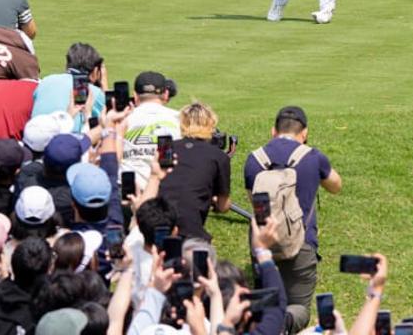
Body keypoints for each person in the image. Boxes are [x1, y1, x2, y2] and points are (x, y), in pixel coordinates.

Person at [243, 105, 341, 331]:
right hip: (301, 243)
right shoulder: (313, 157)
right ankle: (285, 325)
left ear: (273, 131)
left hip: (262, 242)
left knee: (265, 305)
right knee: (299, 308)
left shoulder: (254, 159)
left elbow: (253, 200)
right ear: (304, 133)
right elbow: (336, 186)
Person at [157, 101, 231, 242]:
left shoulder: (166, 148)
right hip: (191, 230)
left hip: (158, 222)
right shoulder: (218, 155)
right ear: (211, 124)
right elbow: (223, 205)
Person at [121, 70, 180, 187]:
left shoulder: (122, 120)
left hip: (130, 190)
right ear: (166, 94)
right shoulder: (179, 118)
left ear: (135, 96)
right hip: (168, 188)